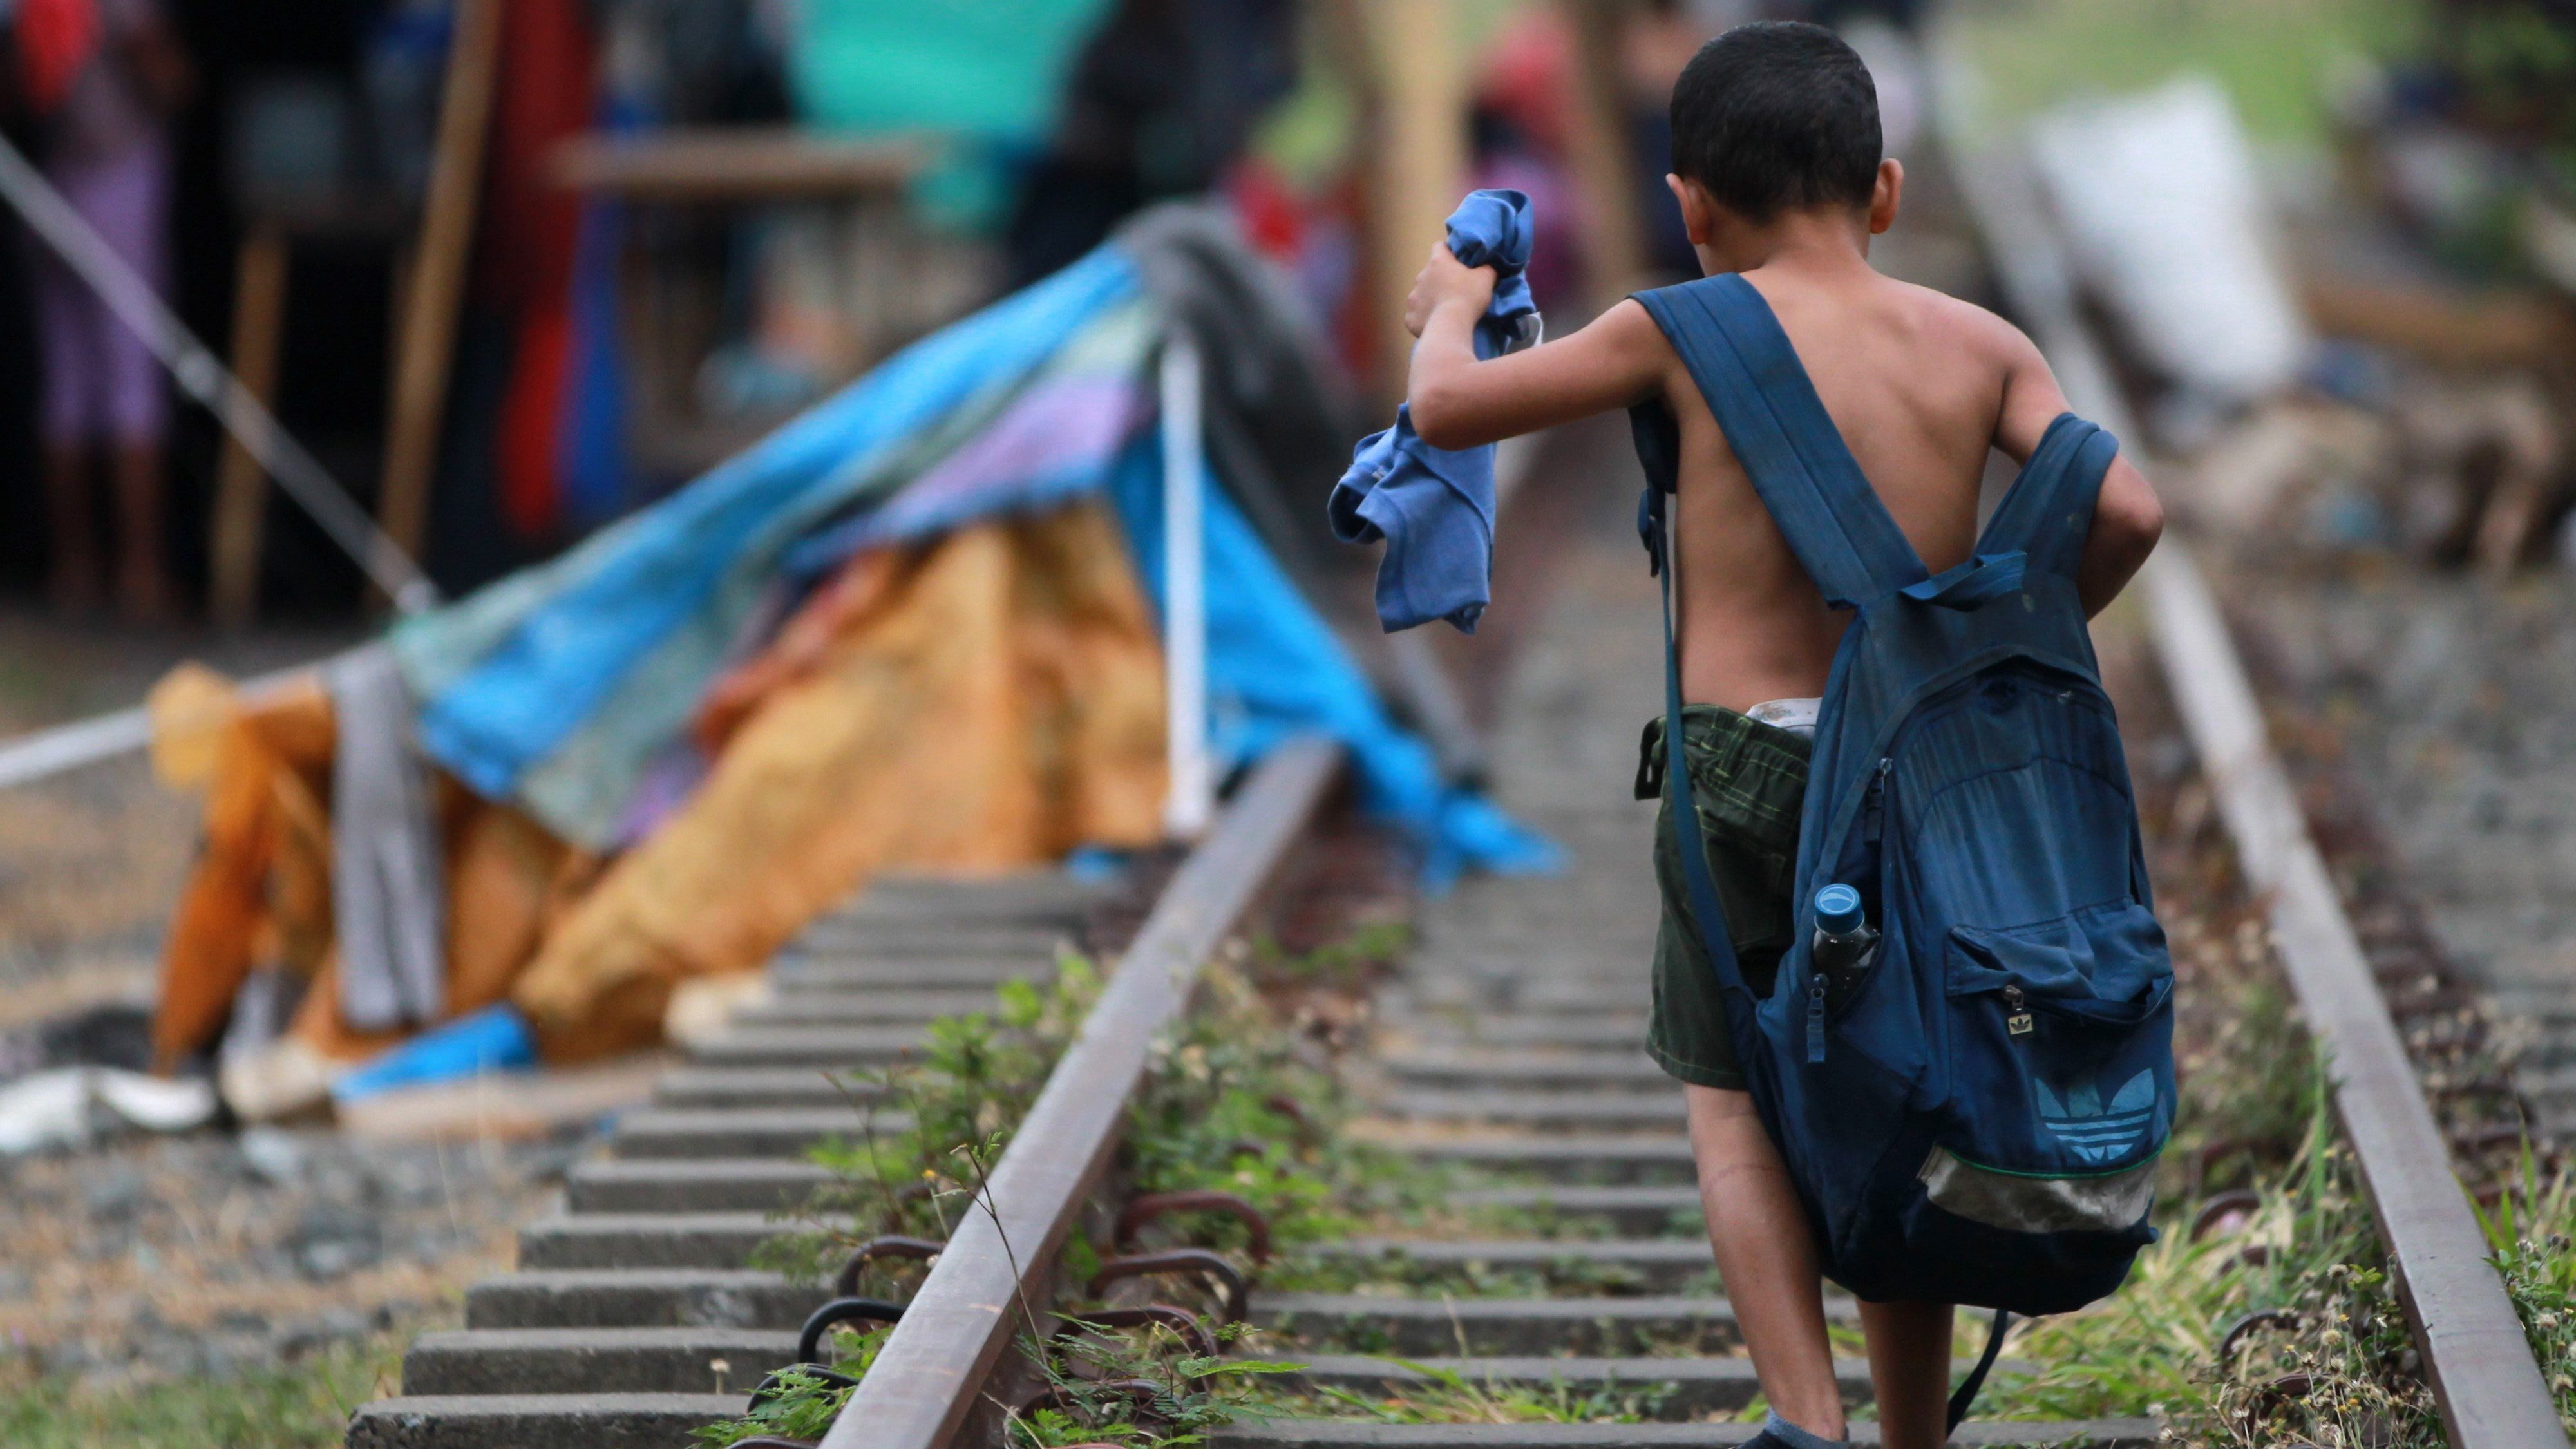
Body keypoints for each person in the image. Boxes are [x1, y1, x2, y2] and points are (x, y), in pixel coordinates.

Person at [1394, 22, 2162, 1449]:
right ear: (1881, 189)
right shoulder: (1979, 344)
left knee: (1735, 1100)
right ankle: (1913, 1437)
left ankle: (1805, 1423)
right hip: (1913, 781)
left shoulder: (1673, 329)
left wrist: (1451, 297)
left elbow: (1444, 409)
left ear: (1688, 206)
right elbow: (2124, 511)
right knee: (1897, 1083)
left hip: (1745, 774)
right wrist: (2002, 653)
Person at [17, 0, 191, 619]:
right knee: (127, 378)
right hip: (110, 170)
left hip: (51, 174)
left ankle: (77, 568)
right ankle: (137, 572)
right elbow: (168, 78)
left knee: (71, 385)